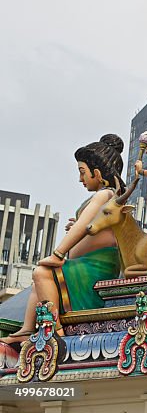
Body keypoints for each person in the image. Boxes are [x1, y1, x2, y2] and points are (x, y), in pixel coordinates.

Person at [1, 135, 125, 344]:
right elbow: (87, 226)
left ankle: (55, 333)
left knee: (41, 272)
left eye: (82, 172)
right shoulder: (107, 196)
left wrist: (58, 254)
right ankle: (27, 329)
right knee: (38, 283)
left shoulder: (105, 195)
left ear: (96, 173)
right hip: (84, 263)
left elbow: (85, 223)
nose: (80, 179)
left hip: (96, 266)